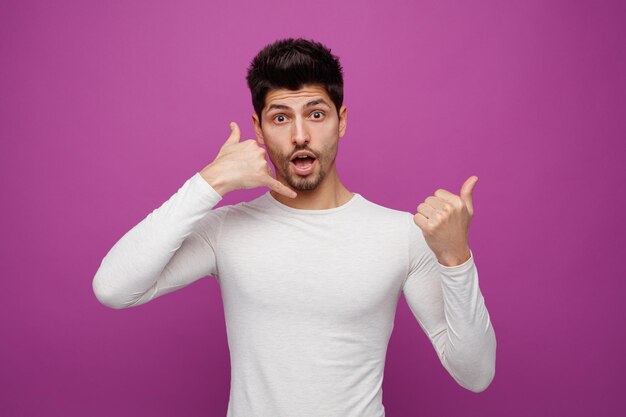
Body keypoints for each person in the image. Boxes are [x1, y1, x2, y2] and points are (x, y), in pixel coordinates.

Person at [92, 37, 496, 417]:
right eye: (281, 117)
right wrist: (209, 182)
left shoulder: (402, 235)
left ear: (341, 120)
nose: (300, 135)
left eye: (316, 114)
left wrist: (456, 259)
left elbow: (475, 374)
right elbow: (113, 288)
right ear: (258, 129)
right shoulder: (227, 230)